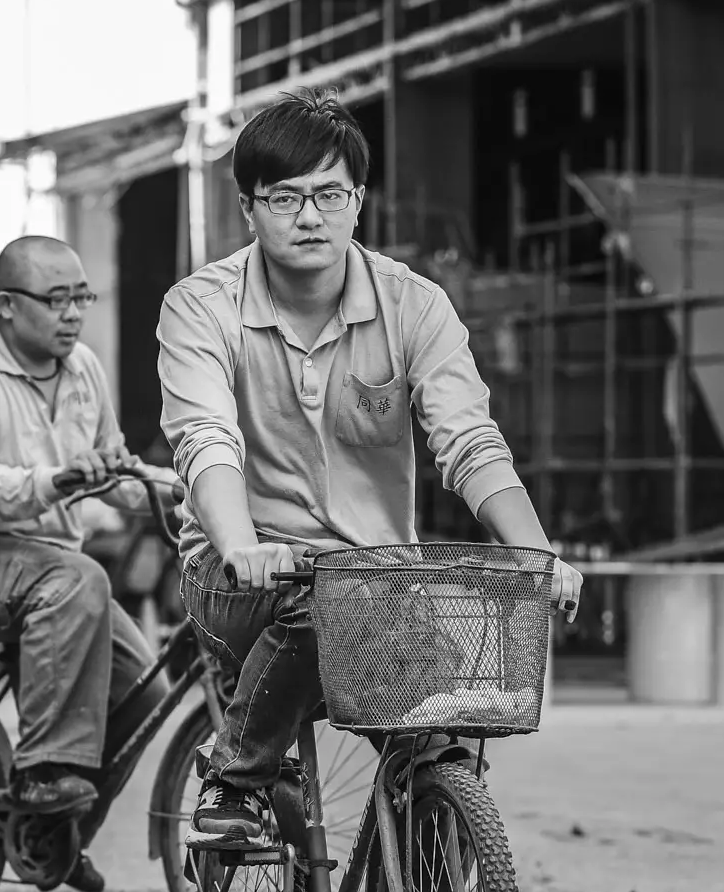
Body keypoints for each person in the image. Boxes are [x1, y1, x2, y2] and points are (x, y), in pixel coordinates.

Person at [157, 92, 583, 848]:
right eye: (285, 197)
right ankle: (238, 777)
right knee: (316, 603)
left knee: (443, 732)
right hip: (243, 576)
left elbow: (470, 441)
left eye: (329, 194)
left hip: (380, 574)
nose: (309, 216)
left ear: (358, 200)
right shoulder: (201, 307)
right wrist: (237, 543)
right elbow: (205, 438)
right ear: (249, 207)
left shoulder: (414, 306)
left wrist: (538, 553)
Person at [0, 234, 172, 892]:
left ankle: (54, 834)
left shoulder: (85, 371)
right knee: (80, 576)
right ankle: (44, 771)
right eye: (56, 299)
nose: (73, 313)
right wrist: (55, 480)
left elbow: (111, 466)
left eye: (81, 296)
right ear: (8, 306)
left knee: (146, 696)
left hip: (51, 573)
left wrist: (167, 486)